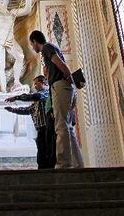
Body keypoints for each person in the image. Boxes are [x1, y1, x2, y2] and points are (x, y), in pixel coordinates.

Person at [29, 30, 84, 169]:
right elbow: (57, 67)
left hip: (60, 86)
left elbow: (60, 64)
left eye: (31, 44)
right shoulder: (50, 49)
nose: (32, 47)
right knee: (68, 128)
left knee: (60, 126)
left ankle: (63, 164)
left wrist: (70, 80)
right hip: (63, 86)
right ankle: (78, 165)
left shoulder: (47, 48)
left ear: (35, 41)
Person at [5, 75, 50, 169]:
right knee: (41, 151)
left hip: (48, 127)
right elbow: (28, 110)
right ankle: (42, 170)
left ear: (43, 83)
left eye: (36, 84)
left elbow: (36, 96)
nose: (35, 86)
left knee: (48, 151)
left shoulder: (46, 93)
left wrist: (17, 97)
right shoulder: (37, 101)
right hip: (40, 129)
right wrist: (12, 110)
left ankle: (48, 170)